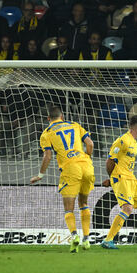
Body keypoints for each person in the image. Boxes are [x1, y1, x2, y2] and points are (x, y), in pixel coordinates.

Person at [30, 106, 95, 252]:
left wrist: (40, 175)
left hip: (70, 168)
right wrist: (87, 157)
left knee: (68, 208)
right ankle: (86, 239)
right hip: (86, 166)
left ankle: (74, 237)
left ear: (48, 119)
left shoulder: (46, 134)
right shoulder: (75, 125)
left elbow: (47, 156)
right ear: (63, 116)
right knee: (84, 203)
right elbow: (90, 144)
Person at [100, 115, 137, 252]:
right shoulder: (122, 140)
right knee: (128, 208)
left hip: (131, 178)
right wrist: (113, 178)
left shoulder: (134, 142)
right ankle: (108, 240)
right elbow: (110, 161)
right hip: (121, 178)